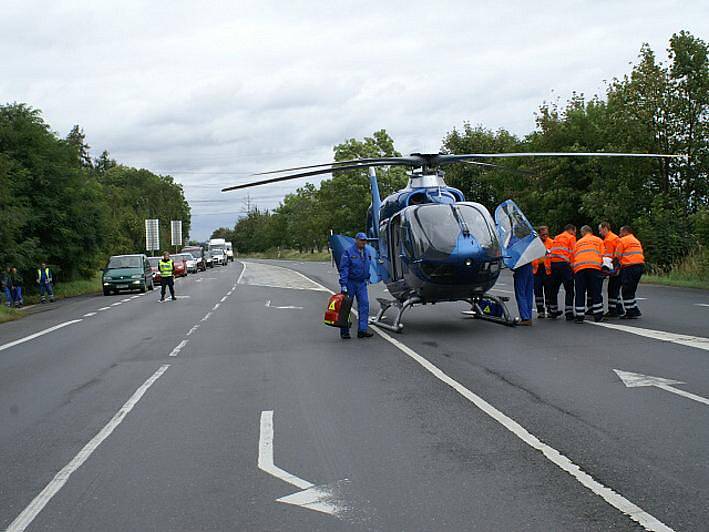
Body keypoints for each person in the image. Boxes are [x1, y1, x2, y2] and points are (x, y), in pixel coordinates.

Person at [339, 232, 374, 339]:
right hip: (350, 282)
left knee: (364, 305)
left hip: (361, 283)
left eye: (365, 240)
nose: (363, 242)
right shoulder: (348, 252)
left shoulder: (367, 251)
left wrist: (367, 276)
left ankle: (362, 330)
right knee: (346, 306)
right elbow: (344, 268)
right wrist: (343, 284)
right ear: (356, 240)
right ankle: (344, 331)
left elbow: (367, 265)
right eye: (361, 240)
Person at [572, 226, 605, 323]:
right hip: (594, 267)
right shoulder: (598, 240)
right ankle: (598, 316)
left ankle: (579, 316)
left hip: (580, 268)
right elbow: (603, 254)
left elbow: (574, 256)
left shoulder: (578, 242)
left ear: (583, 232)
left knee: (580, 292)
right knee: (596, 291)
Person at [548, 224, 577, 320]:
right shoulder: (571, 237)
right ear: (571, 230)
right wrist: (574, 267)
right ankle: (569, 313)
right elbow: (573, 253)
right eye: (575, 231)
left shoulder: (556, 237)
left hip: (554, 264)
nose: (575, 233)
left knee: (553, 289)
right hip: (565, 265)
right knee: (569, 289)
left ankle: (553, 311)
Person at [616, 226, 645, 318]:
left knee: (626, 290)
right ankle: (634, 309)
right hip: (639, 266)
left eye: (620, 232)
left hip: (629, 267)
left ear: (625, 232)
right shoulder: (636, 241)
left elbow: (618, 255)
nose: (619, 235)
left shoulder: (623, 240)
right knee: (632, 289)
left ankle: (630, 312)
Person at [598, 222, 622, 317]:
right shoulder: (615, 238)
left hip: (614, 266)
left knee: (612, 289)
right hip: (619, 265)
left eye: (600, 230)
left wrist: (605, 269)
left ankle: (614, 310)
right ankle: (618, 308)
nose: (600, 233)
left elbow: (608, 257)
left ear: (605, 228)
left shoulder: (609, 240)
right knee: (615, 288)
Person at [532, 225, 553, 318]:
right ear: (539, 234)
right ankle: (540, 310)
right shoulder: (535, 244)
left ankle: (549, 309)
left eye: (547, 234)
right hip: (537, 270)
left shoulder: (552, 242)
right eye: (543, 234)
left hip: (547, 270)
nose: (545, 236)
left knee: (549, 291)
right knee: (538, 291)